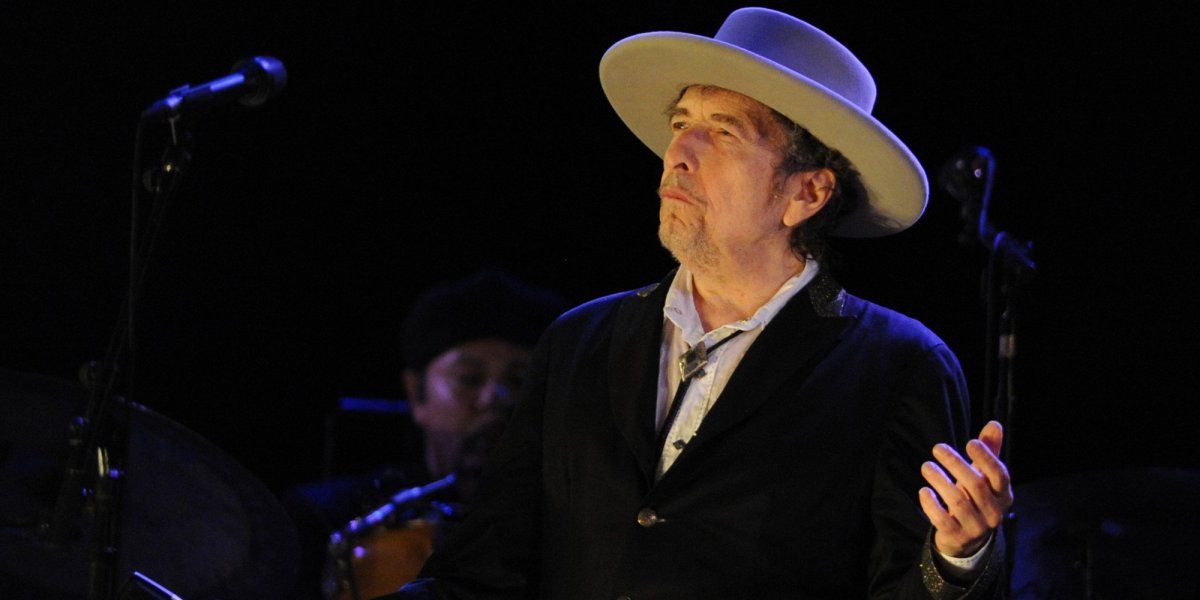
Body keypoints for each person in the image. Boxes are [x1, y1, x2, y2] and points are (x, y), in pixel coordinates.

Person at [386, 8, 1013, 599]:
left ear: (807, 193)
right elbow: (483, 569)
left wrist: (956, 557)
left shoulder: (896, 365)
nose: (679, 155)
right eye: (682, 124)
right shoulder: (580, 341)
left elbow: (904, 583)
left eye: (725, 133)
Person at [282, 270, 566, 600]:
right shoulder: (325, 516)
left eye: (519, 381)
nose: (496, 398)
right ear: (416, 393)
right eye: (470, 378)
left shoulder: (571, 520)